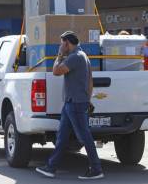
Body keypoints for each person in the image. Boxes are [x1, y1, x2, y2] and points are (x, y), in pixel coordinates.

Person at [36, 31, 104, 180]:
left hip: (76, 104)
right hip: (72, 103)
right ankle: (51, 167)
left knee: (84, 137)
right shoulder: (83, 56)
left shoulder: (75, 57)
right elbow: (90, 81)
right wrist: (88, 98)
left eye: (62, 43)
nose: (60, 46)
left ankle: (96, 168)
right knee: (61, 137)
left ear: (67, 43)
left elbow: (56, 71)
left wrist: (59, 55)